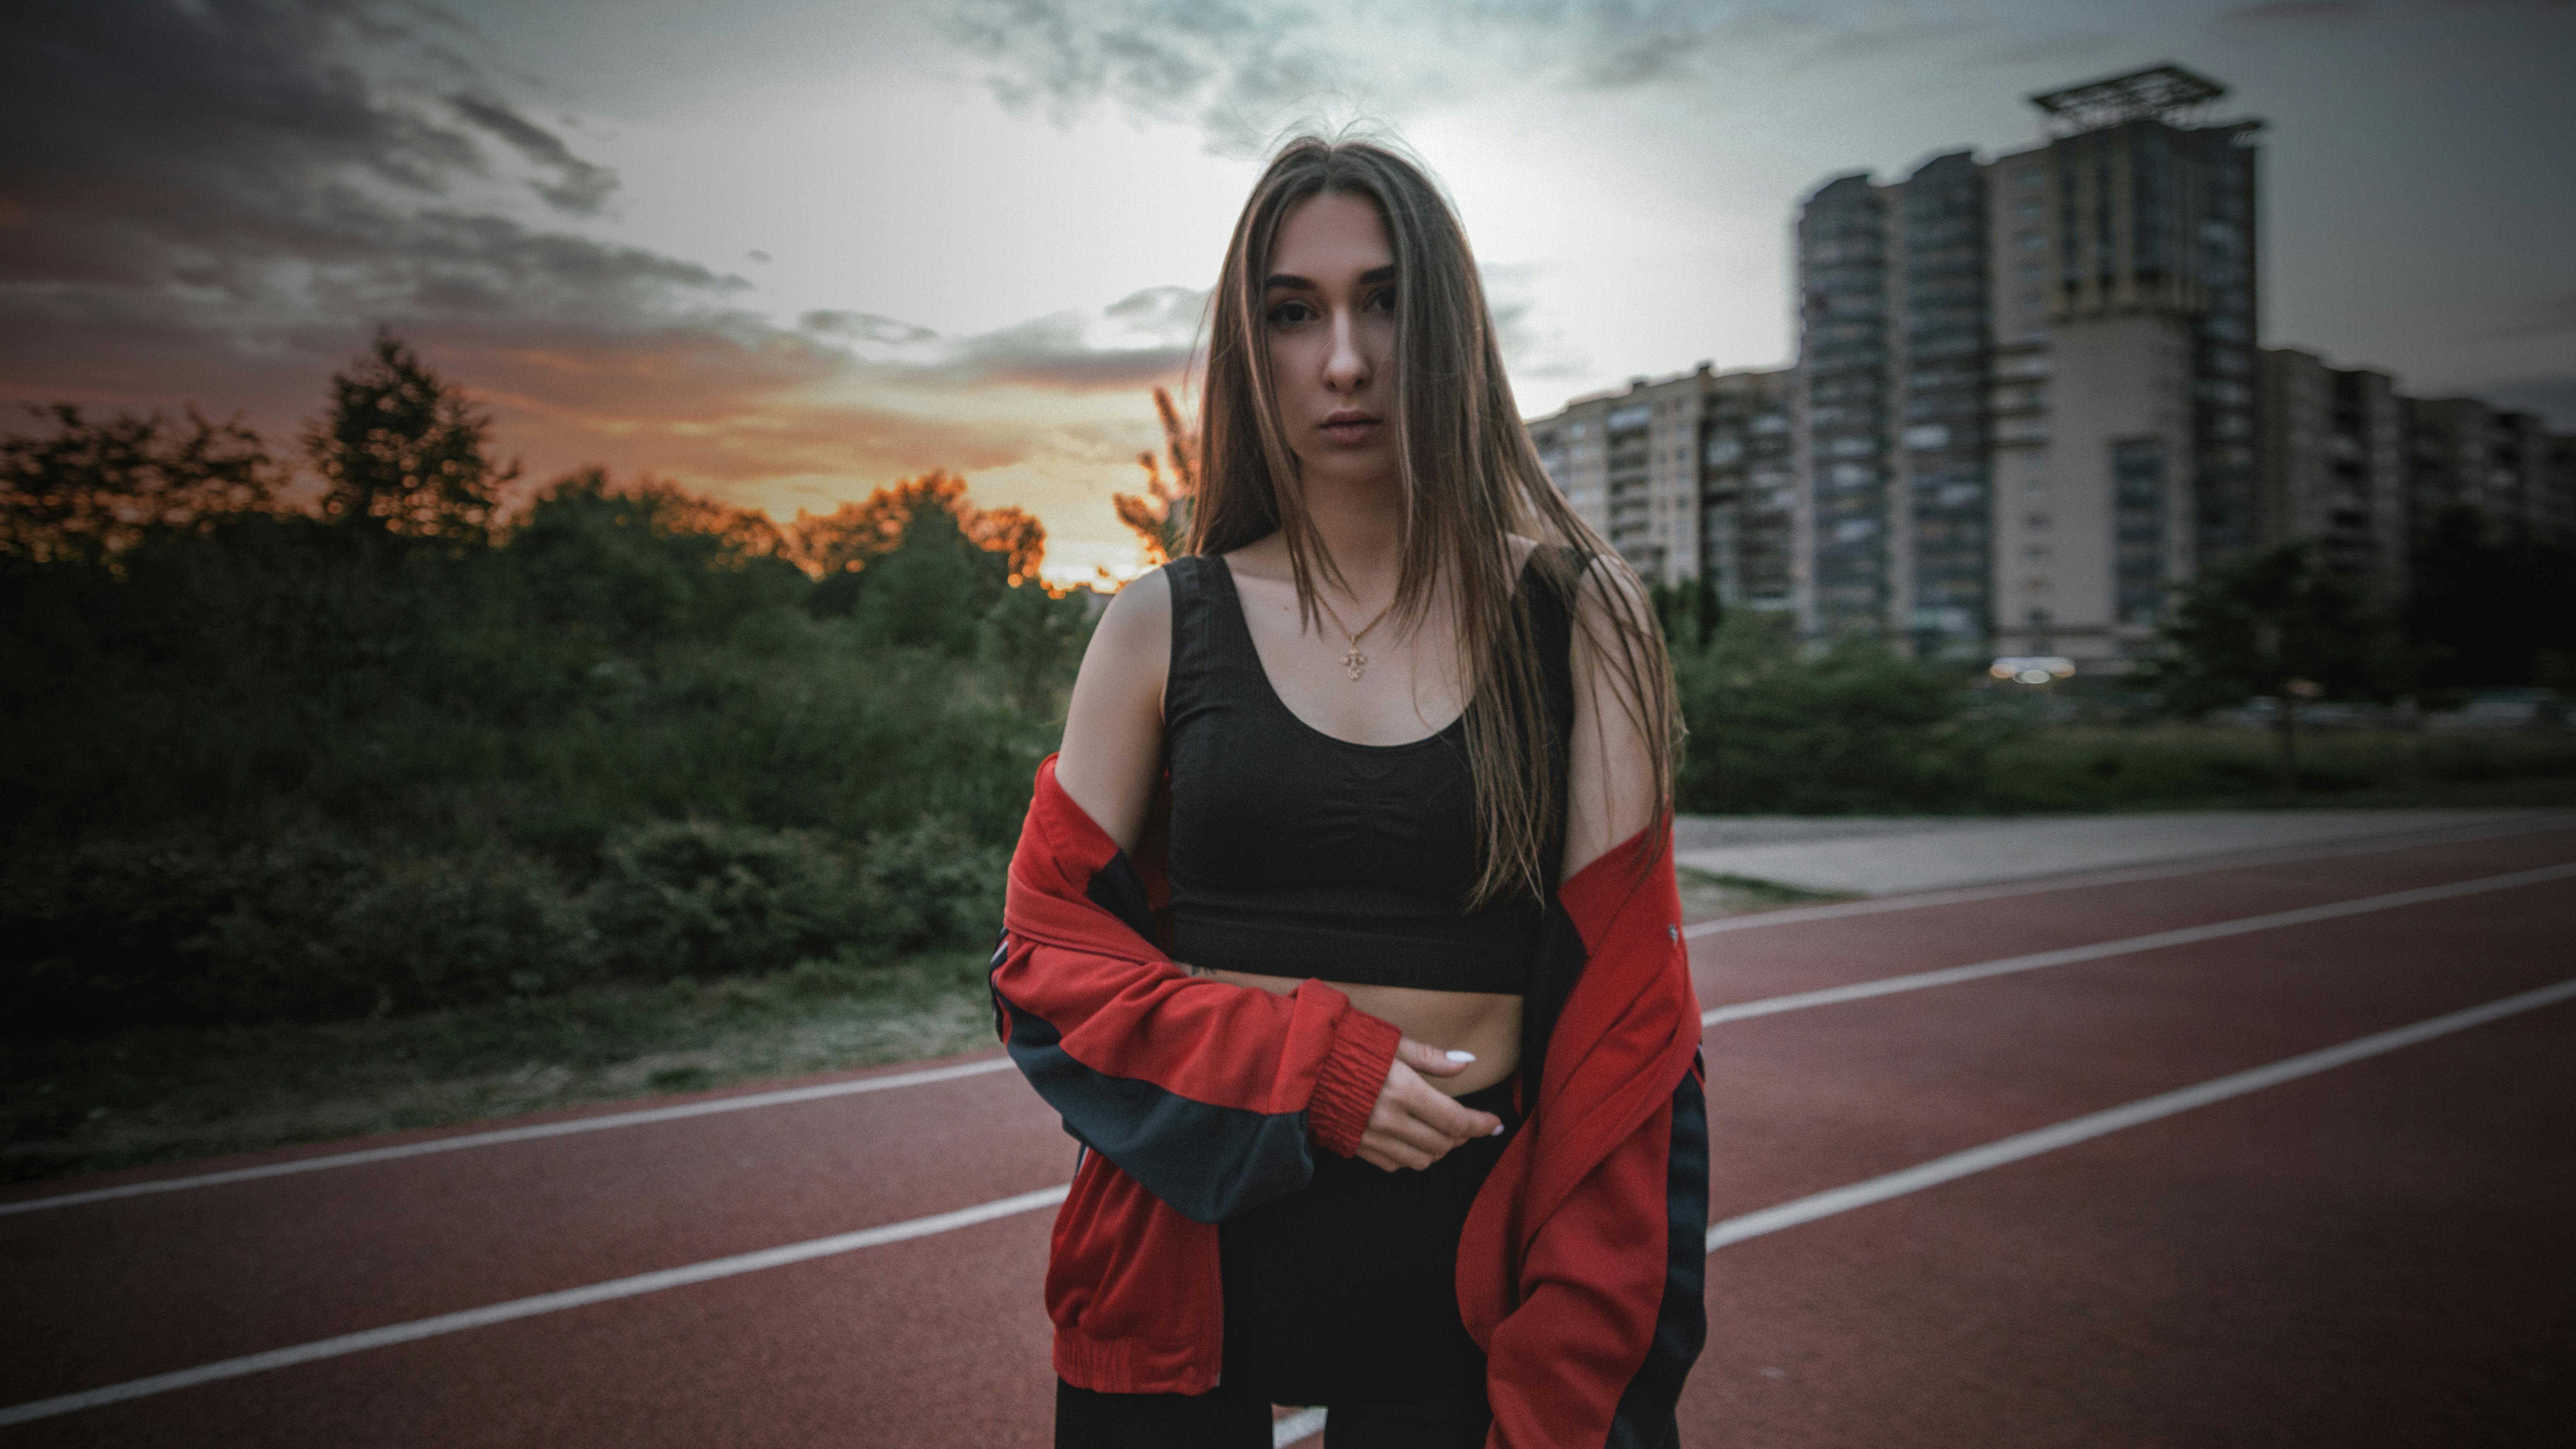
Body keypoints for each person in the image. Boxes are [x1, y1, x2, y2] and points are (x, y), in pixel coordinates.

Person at [991, 135, 1708, 1449]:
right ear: (1246, 345)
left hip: (1459, 1290)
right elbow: (1047, 967)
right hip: (1174, 1264)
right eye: (1293, 312)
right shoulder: (1160, 624)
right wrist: (1318, 1068)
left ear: (1450, 329)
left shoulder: (1577, 617)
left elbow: (1630, 1037)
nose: (1344, 360)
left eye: (1385, 301)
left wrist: (1579, 1392)